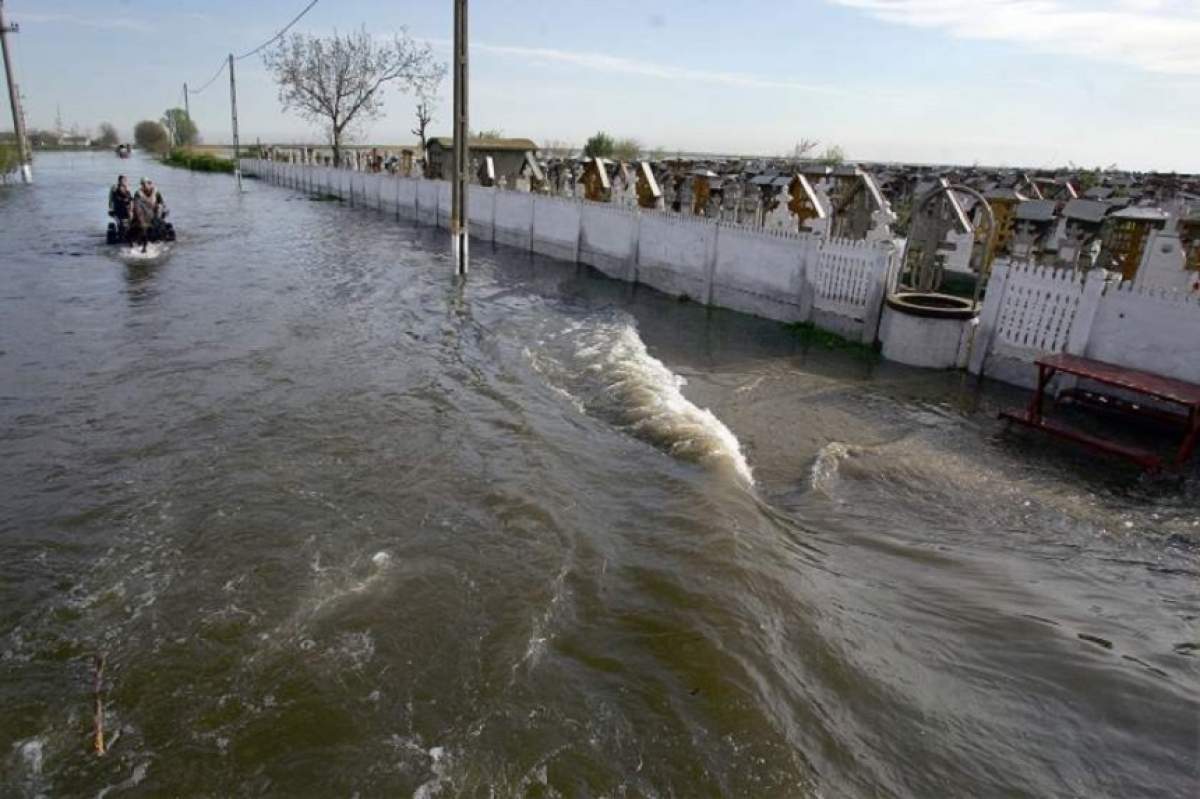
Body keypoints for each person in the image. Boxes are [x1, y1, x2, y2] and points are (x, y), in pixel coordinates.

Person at [130, 178, 167, 252]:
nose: (143, 186)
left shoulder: (156, 192)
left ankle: (158, 232)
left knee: (159, 208)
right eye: (142, 184)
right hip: (142, 212)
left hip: (153, 212)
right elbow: (137, 203)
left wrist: (161, 207)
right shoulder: (138, 192)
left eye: (145, 184)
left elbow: (162, 203)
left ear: (150, 184)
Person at [108, 175, 133, 239]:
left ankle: (132, 228)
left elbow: (130, 197)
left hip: (126, 208)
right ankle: (123, 231)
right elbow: (114, 197)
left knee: (132, 213)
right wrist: (123, 200)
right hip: (119, 208)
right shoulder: (115, 188)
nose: (125, 181)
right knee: (121, 222)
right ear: (120, 181)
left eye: (125, 180)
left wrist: (130, 200)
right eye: (124, 180)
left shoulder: (126, 188)